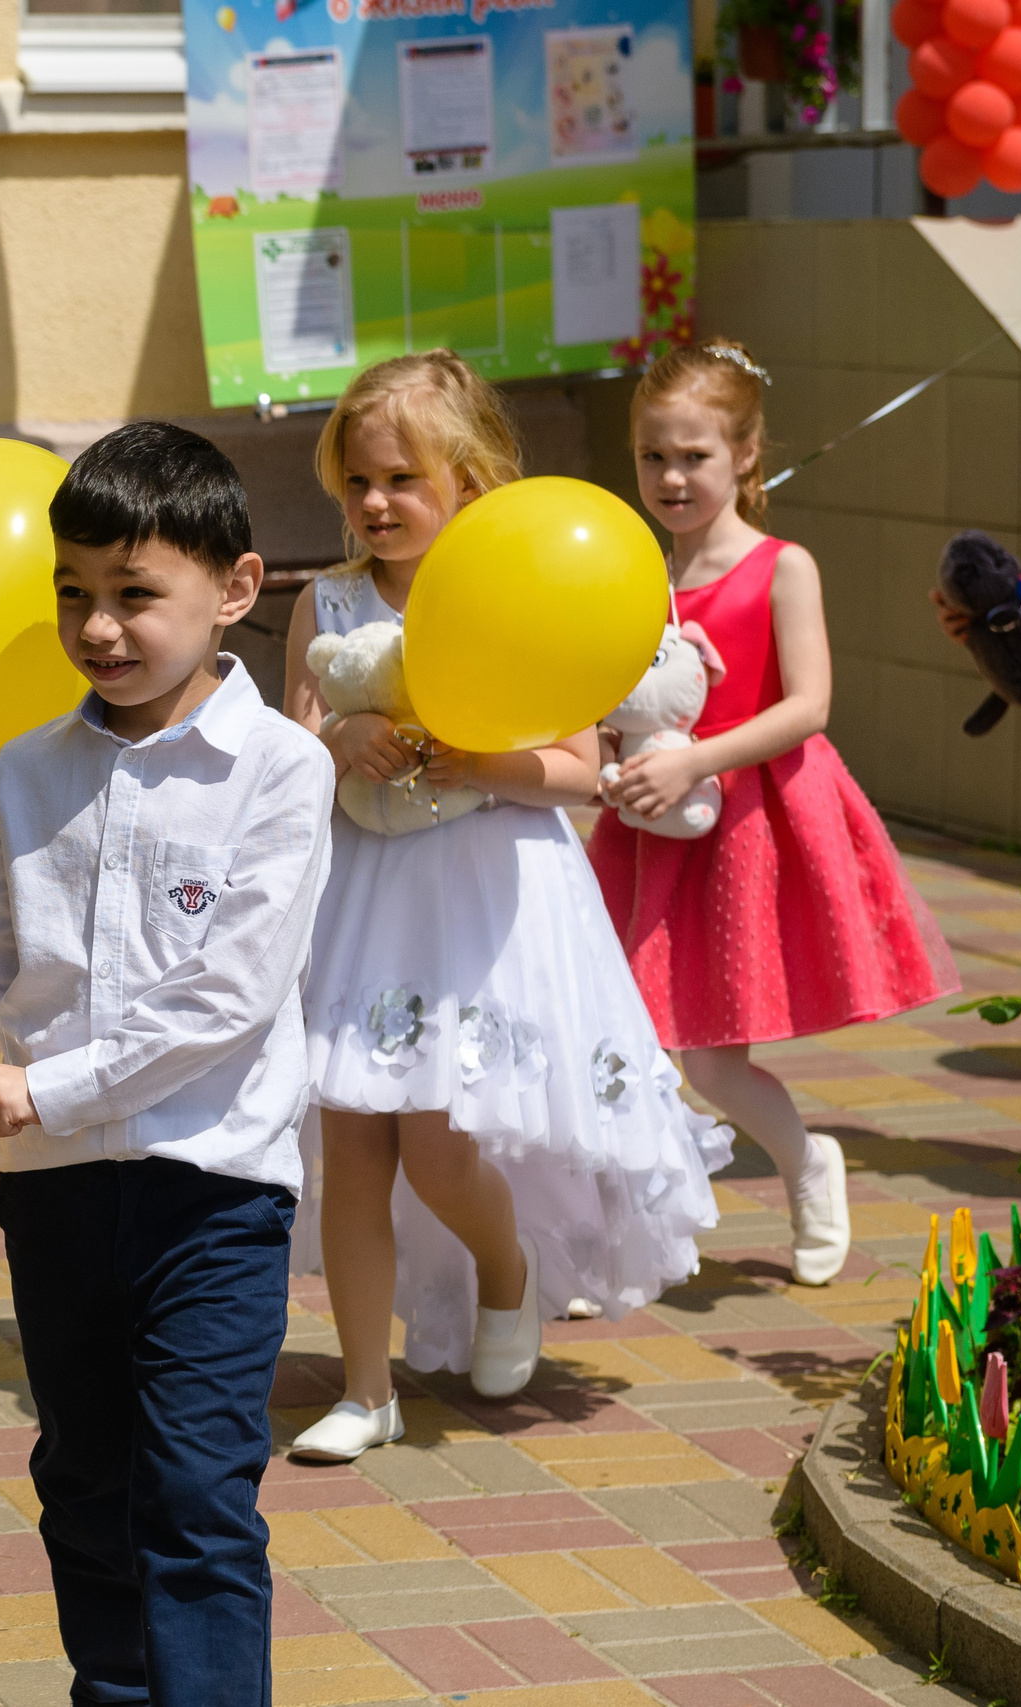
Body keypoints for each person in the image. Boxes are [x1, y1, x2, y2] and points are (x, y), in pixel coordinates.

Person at [0, 422, 333, 1703]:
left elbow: (231, 995)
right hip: (54, 1197)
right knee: (84, 1483)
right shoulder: (27, 773)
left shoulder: (280, 770)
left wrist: (54, 1082)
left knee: (197, 1493)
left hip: (216, 1194)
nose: (100, 627)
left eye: (136, 594)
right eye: (74, 593)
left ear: (235, 592)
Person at [279, 352, 727, 1464]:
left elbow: (579, 767)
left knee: (437, 1150)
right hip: (360, 894)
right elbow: (284, 754)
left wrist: (477, 756)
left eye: (400, 480)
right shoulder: (327, 603)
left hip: (477, 896)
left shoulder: (519, 594)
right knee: (352, 1146)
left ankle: (504, 1268)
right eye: (355, 482)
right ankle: (367, 1386)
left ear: (470, 484)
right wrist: (339, 740)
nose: (374, 504)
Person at [593, 340, 958, 1284]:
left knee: (709, 1062)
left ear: (746, 456)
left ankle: (806, 1162)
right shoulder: (636, 575)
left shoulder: (783, 565)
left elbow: (808, 706)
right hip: (645, 829)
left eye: (695, 456)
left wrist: (696, 762)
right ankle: (623, 1238)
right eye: (652, 456)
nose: (671, 477)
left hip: (747, 826)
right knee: (624, 1035)